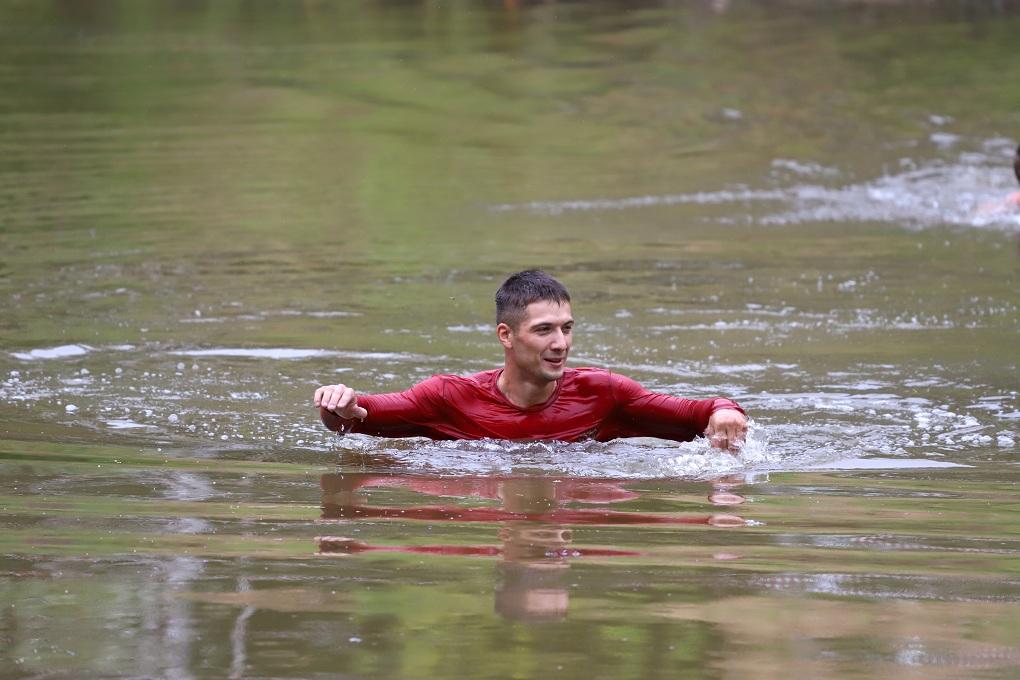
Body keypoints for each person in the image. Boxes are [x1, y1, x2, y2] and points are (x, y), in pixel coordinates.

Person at [314, 270, 748, 451]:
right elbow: (358, 419)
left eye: (567, 327)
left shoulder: (605, 393)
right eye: (544, 330)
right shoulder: (448, 397)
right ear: (507, 335)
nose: (560, 343)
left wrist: (726, 411)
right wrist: (339, 407)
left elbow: (699, 412)